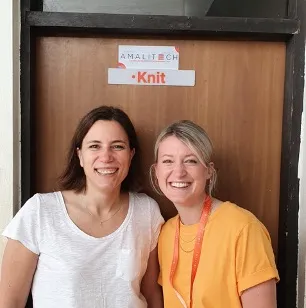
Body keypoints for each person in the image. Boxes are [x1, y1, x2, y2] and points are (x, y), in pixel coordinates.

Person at [0, 106, 164, 308]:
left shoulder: (146, 211)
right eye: (95, 146)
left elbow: (152, 295)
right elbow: (10, 302)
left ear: (131, 155)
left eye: (117, 146)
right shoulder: (41, 211)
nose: (106, 157)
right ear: (80, 155)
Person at [150, 120, 279, 308]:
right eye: (168, 161)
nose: (178, 172)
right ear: (156, 172)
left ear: (208, 171)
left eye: (191, 161)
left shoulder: (244, 229)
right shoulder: (165, 234)